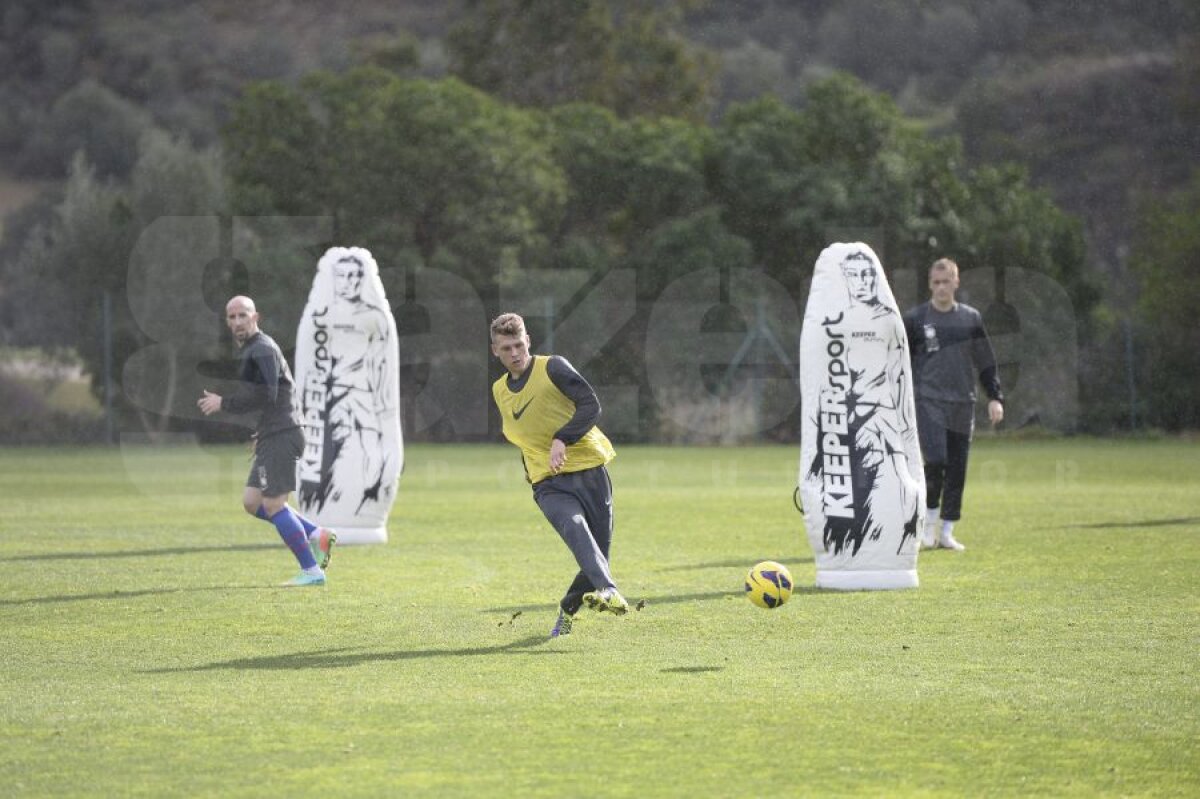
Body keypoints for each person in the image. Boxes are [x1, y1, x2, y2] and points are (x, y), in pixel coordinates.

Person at [489, 312, 627, 638]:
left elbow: (590, 405)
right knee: (575, 528)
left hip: (590, 471)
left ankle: (567, 610)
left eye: (519, 345)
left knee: (596, 555)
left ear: (528, 342)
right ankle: (608, 589)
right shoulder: (500, 390)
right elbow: (523, 434)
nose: (514, 353)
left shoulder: (553, 368)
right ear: (495, 350)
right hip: (548, 483)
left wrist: (562, 438)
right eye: (506, 348)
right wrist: (533, 470)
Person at [199, 296, 337, 585]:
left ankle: (312, 571)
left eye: (243, 315)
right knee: (252, 502)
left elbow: (267, 393)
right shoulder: (253, 350)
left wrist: (224, 402)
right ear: (227, 321)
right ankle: (316, 534)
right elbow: (277, 396)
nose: (237, 321)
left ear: (255, 317)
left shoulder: (261, 349)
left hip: (282, 435)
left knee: (274, 505)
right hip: (275, 432)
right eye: (232, 317)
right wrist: (263, 431)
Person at [903, 258, 1004, 552]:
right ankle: (927, 528)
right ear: (930, 285)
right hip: (929, 401)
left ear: (956, 283)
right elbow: (899, 359)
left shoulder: (970, 319)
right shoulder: (915, 319)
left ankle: (947, 532)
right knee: (935, 462)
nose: (941, 287)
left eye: (946, 281)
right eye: (936, 282)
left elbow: (985, 361)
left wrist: (995, 397)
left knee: (957, 468)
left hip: (963, 403)